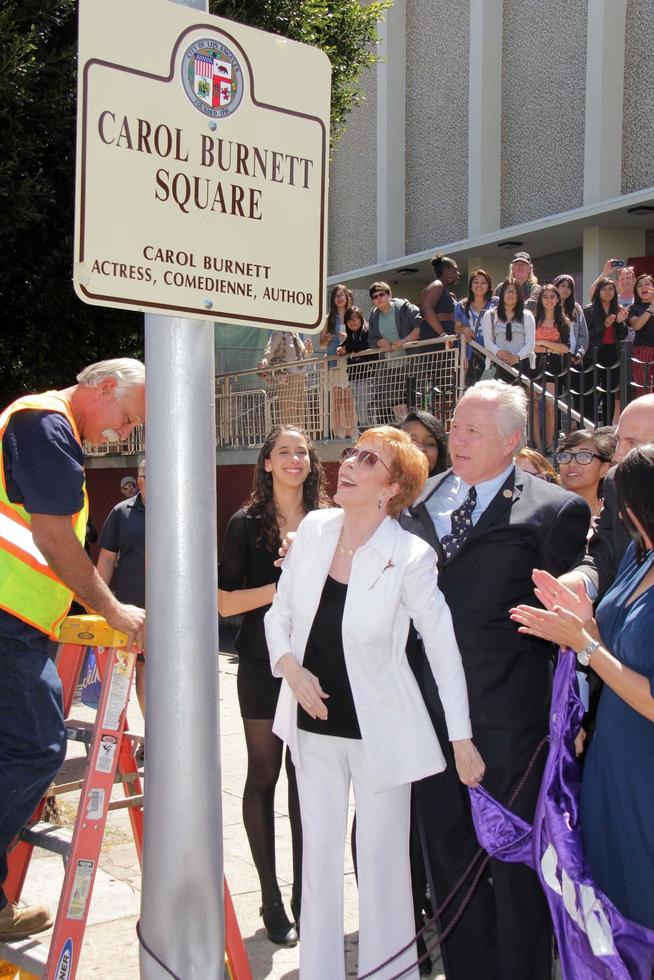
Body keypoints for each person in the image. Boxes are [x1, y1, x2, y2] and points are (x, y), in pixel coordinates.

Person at [265, 427, 484, 980]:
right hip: (312, 726)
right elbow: (279, 616)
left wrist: (460, 737)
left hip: (381, 732)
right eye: (353, 453)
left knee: (385, 867)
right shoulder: (314, 528)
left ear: (390, 489)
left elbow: (441, 645)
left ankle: (390, 973)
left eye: (369, 460)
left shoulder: (409, 554)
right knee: (316, 860)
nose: (350, 464)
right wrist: (289, 667)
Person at [401, 380, 589, 980]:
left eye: (472, 431)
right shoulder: (416, 500)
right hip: (426, 719)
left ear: (511, 441)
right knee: (449, 869)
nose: (455, 439)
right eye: (454, 427)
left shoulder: (554, 508)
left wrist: (583, 583)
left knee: (514, 873)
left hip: (508, 728)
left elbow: (574, 597)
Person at [0, 358, 146, 941]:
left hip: (19, 620)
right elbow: (54, 538)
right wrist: (113, 611)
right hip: (8, 621)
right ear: (103, 386)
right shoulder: (45, 421)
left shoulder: (42, 425)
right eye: (129, 418)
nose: (125, 434)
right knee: (37, 749)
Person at [510, 442, 654, 930]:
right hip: (612, 752)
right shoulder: (640, 555)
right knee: (614, 897)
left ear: (636, 505)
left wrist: (585, 645)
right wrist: (581, 627)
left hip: (645, 765)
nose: (608, 515)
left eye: (615, 504)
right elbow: (612, 642)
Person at [218, 427, 328, 946]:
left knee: (308, 780)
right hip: (264, 666)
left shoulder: (332, 520)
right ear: (265, 463)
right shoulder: (245, 524)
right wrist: (282, 585)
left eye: (302, 451)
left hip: (321, 666)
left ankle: (310, 899)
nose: (294, 458)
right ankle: (270, 897)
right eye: (283, 451)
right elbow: (224, 603)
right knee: (265, 775)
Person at [560, 393, 654, 601]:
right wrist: (581, 581)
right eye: (618, 441)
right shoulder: (616, 482)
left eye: (633, 443)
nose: (618, 454)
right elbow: (604, 550)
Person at [97, 457, 147, 715]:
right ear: (141, 481)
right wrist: (98, 603)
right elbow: (106, 558)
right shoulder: (121, 512)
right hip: (133, 611)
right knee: (141, 668)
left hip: (174, 610)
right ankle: (153, 735)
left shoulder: (179, 509)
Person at [366, 281, 422, 422]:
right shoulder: (373, 315)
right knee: (393, 402)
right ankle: (403, 433)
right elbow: (372, 339)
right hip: (389, 366)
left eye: (381, 294)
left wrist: (404, 341)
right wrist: (381, 342)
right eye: (374, 296)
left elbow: (418, 328)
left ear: (389, 294)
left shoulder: (404, 307)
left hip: (409, 363)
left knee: (413, 402)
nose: (378, 298)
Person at [529, 284, 571, 452]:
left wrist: (543, 343)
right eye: (545, 297)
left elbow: (566, 348)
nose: (549, 300)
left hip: (553, 367)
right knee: (534, 406)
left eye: (552, 297)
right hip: (533, 365)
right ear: (540, 299)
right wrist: (553, 346)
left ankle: (549, 444)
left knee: (550, 407)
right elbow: (530, 346)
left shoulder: (563, 321)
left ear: (557, 299)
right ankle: (537, 445)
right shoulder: (533, 319)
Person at [582, 278, 629, 425]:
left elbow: (622, 335)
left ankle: (607, 426)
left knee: (609, 392)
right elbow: (587, 335)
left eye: (611, 289)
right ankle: (590, 426)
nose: (608, 292)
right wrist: (605, 325)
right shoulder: (589, 309)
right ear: (598, 291)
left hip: (612, 353)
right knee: (591, 392)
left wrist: (620, 323)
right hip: (594, 353)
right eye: (604, 289)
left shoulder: (618, 308)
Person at [480, 277, 535, 380]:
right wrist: (500, 353)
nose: (511, 294)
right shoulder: (490, 315)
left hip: (522, 366)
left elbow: (530, 344)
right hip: (497, 365)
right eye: (507, 291)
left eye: (515, 291)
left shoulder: (527, 315)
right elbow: (487, 342)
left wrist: (516, 358)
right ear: (502, 294)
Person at [320, 284, 356, 439]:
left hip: (350, 362)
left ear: (348, 296)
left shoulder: (354, 314)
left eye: (343, 295)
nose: (340, 298)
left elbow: (363, 334)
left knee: (349, 400)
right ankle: (337, 435)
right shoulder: (328, 318)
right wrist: (327, 338)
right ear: (333, 300)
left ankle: (350, 434)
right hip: (334, 363)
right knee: (336, 401)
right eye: (337, 296)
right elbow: (321, 343)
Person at [556, 429, 615, 520]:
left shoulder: (614, 516)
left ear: (605, 468)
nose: (572, 463)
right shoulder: (546, 513)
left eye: (584, 456)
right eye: (565, 455)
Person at [454, 269, 496, 387]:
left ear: (488, 286)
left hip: (492, 353)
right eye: (476, 282)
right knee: (471, 390)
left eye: (483, 282)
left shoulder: (495, 303)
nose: (479, 285)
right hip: (471, 353)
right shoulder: (461, 306)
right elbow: (456, 328)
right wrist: (464, 329)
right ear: (470, 286)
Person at [258, 331, 308, 430]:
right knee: (288, 414)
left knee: (300, 415)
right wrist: (264, 361)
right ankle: (290, 441)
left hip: (300, 378)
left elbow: (300, 355)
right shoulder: (278, 333)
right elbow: (269, 350)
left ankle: (298, 441)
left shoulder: (295, 333)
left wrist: (308, 349)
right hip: (287, 379)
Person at [337, 306, 375, 430]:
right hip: (354, 376)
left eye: (355, 318)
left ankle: (369, 433)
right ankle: (364, 433)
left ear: (361, 318)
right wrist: (341, 348)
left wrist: (346, 349)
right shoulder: (350, 336)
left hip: (367, 374)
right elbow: (344, 347)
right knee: (359, 407)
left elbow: (366, 345)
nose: (353, 322)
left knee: (364, 406)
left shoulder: (368, 330)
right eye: (349, 320)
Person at [420, 253, 461, 339]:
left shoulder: (446, 292)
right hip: (438, 342)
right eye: (456, 270)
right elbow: (426, 309)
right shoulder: (437, 285)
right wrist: (443, 334)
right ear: (447, 271)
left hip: (448, 342)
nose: (458, 273)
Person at [401, 409, 448, 477]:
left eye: (429, 443)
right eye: (411, 442)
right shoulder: (382, 485)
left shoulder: (450, 486)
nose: (420, 449)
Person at [628, 272, 654, 395]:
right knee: (644, 389)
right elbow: (637, 326)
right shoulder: (634, 308)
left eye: (647, 284)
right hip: (642, 351)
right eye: (640, 285)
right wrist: (651, 308)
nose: (644, 287)